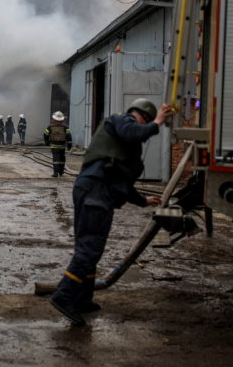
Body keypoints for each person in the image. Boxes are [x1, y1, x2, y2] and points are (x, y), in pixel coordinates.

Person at [49, 98, 174, 326]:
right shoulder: (121, 121)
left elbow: (121, 181)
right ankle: (64, 296)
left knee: (90, 246)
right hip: (96, 190)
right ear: (139, 115)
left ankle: (83, 298)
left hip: (97, 190)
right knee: (90, 247)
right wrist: (156, 123)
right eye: (144, 121)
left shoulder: (121, 144)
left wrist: (142, 200)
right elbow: (133, 132)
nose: (143, 127)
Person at [44, 111, 72, 177]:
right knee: (58, 159)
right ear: (54, 120)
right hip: (58, 146)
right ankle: (57, 172)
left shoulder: (50, 127)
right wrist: (69, 145)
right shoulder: (65, 127)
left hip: (58, 146)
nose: (59, 122)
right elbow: (69, 136)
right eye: (58, 121)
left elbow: (45, 135)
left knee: (60, 159)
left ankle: (60, 172)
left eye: (60, 121)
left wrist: (47, 142)